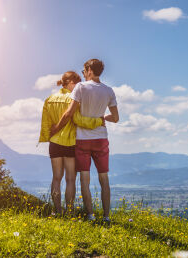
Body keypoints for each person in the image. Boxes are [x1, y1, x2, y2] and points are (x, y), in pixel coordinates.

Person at [51, 59, 119, 222]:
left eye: (84, 70)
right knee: (104, 178)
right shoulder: (109, 91)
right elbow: (115, 118)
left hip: (83, 140)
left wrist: (55, 129)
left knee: (85, 179)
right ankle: (107, 216)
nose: (83, 73)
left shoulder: (81, 87)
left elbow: (69, 113)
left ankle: (90, 215)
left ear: (89, 70)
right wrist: (102, 117)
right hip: (101, 139)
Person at [39, 71, 104, 215]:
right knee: (70, 179)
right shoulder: (74, 99)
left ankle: (57, 211)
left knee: (56, 178)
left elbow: (46, 123)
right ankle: (69, 212)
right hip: (70, 142)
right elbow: (78, 120)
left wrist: (47, 137)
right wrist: (99, 120)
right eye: (76, 83)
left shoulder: (49, 99)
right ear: (70, 83)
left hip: (54, 143)